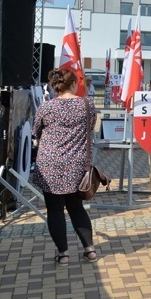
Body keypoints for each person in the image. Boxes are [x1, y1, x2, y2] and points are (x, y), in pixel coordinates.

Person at [31, 68, 98, 265]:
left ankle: (63, 254)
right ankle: (90, 250)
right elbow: (90, 128)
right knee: (77, 208)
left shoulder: (46, 107)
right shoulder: (87, 105)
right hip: (77, 165)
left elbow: (36, 132)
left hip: (50, 164)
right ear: (75, 84)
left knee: (55, 210)